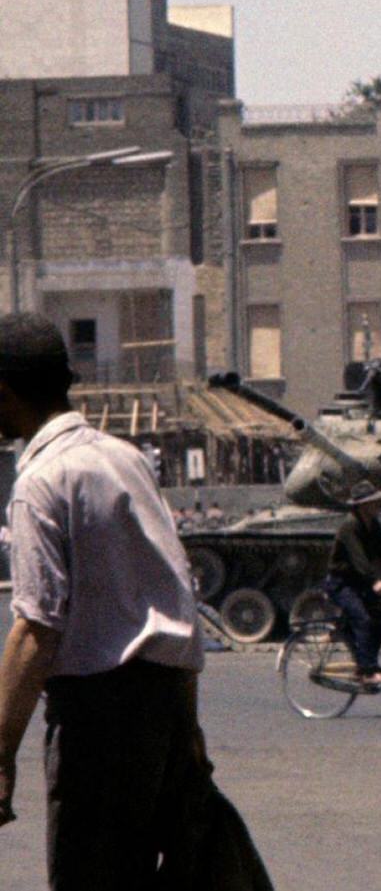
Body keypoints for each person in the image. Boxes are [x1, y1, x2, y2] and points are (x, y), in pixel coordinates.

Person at [0, 314, 229, 889]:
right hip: (166, 712)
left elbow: (36, 629)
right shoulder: (124, 457)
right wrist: (189, 730)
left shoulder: (40, 483)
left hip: (98, 726)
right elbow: (178, 594)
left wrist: (0, 753)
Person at [322, 479, 381, 686]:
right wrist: (376, 581)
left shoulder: (373, 524)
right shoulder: (349, 526)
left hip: (359, 583)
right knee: (363, 619)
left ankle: (366, 662)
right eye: (372, 502)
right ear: (361, 506)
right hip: (341, 583)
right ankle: (368, 671)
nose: (377, 505)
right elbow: (358, 559)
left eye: (376, 501)